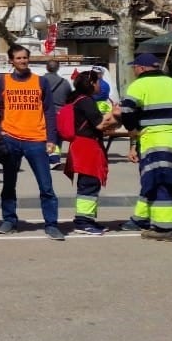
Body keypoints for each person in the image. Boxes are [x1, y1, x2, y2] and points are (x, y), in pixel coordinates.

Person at [114, 53, 172, 241]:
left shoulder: (138, 86)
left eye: (134, 67)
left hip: (154, 141)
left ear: (142, 68)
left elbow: (127, 112)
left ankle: (163, 228)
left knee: (160, 183)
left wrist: (133, 131)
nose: (133, 70)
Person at [0, 45, 64, 239]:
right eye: (18, 58)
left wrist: (51, 138)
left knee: (46, 185)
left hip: (36, 140)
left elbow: (49, 112)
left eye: (25, 57)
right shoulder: (3, 81)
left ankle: (51, 224)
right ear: (12, 61)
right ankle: (9, 220)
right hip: (10, 138)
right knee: (9, 183)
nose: (23, 61)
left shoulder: (40, 82)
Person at [64, 69, 109, 233]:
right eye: (98, 82)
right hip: (87, 146)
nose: (100, 85)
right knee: (89, 183)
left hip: (80, 145)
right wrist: (114, 114)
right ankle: (83, 221)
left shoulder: (76, 99)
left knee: (88, 182)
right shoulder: (87, 101)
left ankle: (87, 218)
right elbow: (99, 124)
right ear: (91, 83)